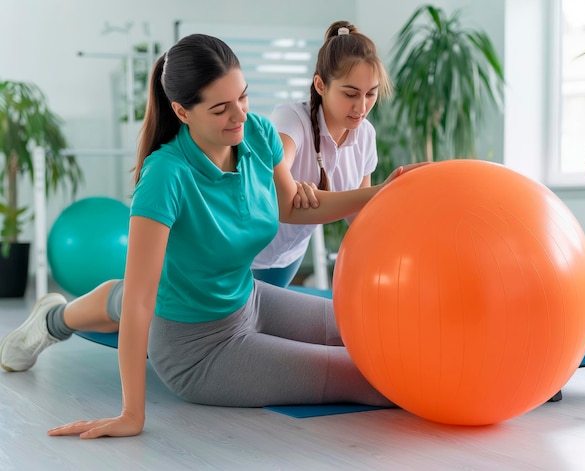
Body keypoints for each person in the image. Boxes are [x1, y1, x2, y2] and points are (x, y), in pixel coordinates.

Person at [0, 33, 417, 439]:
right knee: (377, 379)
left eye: (243, 97)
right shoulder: (165, 175)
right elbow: (141, 300)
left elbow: (291, 207)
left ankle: (55, 316)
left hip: (248, 297)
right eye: (221, 108)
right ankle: (53, 321)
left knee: (373, 328)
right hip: (198, 347)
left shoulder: (256, 133)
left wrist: (382, 193)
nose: (239, 116)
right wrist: (131, 413)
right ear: (182, 112)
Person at [252, 20, 391, 287]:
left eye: (371, 94)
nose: (361, 107)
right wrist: (380, 191)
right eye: (350, 94)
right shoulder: (291, 119)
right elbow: (280, 197)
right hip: (245, 254)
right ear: (320, 84)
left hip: (288, 257)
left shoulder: (366, 135)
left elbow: (357, 215)